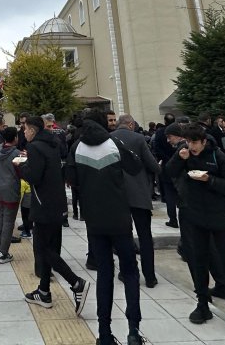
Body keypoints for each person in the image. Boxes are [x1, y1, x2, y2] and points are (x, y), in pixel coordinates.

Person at [73, 109, 145, 345]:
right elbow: (135, 167)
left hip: (94, 219)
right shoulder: (114, 143)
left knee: (104, 273)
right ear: (105, 123)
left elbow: (71, 180)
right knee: (130, 271)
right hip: (119, 217)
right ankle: (133, 330)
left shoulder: (77, 147)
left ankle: (104, 333)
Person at [166, 126, 225, 336]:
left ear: (203, 142)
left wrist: (208, 179)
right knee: (198, 260)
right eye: (188, 142)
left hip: (218, 217)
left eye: (194, 143)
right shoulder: (184, 153)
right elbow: (168, 173)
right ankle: (202, 303)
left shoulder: (218, 156)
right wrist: (179, 159)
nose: (191, 147)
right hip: (194, 215)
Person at [19, 115, 89, 314]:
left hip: (43, 204)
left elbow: (34, 176)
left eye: (25, 129)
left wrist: (21, 166)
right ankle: (44, 291)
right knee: (50, 247)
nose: (24, 132)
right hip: (57, 201)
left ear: (32, 130)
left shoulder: (34, 147)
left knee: (43, 250)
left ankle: (76, 283)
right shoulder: (52, 144)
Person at [111, 112, 161, 288]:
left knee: (124, 236)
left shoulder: (109, 139)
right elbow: (152, 165)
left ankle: (128, 271)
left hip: (118, 196)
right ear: (131, 124)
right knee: (145, 235)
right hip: (139, 194)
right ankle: (150, 276)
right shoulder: (139, 139)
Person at [0, 126, 22, 263]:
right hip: (11, 189)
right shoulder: (17, 154)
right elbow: (22, 172)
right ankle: (3, 252)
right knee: (9, 221)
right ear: (15, 138)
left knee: (1, 216)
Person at [151, 122, 180, 228]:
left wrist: (165, 159)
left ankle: (173, 219)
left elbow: (157, 149)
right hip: (176, 170)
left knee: (170, 195)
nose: (168, 140)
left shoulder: (159, 134)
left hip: (166, 167)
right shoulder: (182, 143)